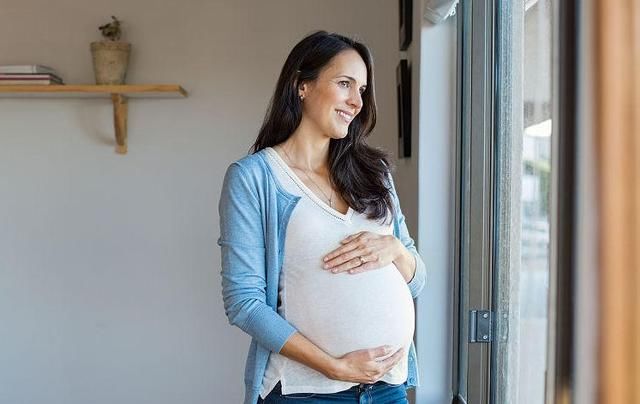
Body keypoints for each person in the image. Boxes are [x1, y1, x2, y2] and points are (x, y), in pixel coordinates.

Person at [218, 31, 427, 404]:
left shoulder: (374, 173)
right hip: (307, 392)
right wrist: (334, 366)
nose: (356, 101)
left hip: (387, 390)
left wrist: (395, 249)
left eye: (362, 89)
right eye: (344, 84)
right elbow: (244, 302)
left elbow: (417, 281)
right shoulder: (255, 178)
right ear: (302, 86)